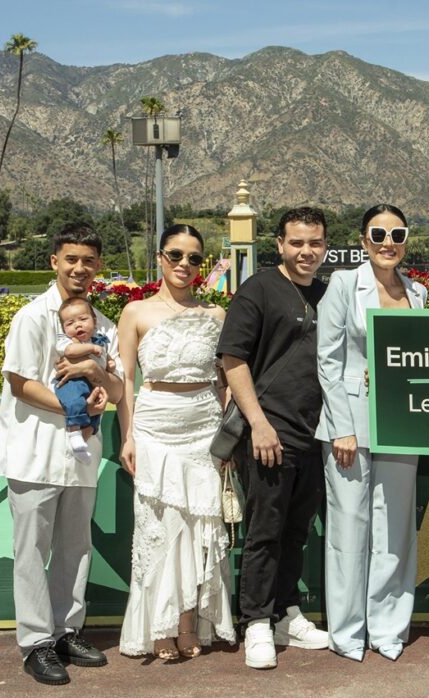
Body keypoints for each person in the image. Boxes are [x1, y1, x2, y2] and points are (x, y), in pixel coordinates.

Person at [0, 223, 123, 685]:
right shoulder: (33, 317)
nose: (79, 268)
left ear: (98, 266)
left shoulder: (102, 326)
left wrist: (97, 388)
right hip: (33, 452)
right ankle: (36, 644)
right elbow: (20, 383)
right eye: (71, 259)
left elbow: (117, 387)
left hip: (82, 456)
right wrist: (76, 408)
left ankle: (67, 630)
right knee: (31, 550)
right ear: (55, 262)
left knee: (75, 547)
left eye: (88, 260)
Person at [116, 224, 236, 660]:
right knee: (160, 527)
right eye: (176, 255)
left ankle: (189, 623)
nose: (185, 264)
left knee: (201, 529)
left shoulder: (217, 315)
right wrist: (128, 436)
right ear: (160, 258)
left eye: (194, 258)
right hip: (153, 427)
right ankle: (159, 626)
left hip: (203, 426)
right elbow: (125, 379)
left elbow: (224, 382)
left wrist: (227, 441)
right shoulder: (135, 313)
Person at [218, 207, 331, 669]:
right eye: (297, 242)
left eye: (315, 242)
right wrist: (259, 423)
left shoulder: (328, 292)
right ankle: (257, 623)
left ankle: (285, 612)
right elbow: (232, 358)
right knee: (265, 532)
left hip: (314, 432)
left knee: (296, 532)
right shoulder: (258, 289)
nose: (307, 251)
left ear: (325, 245)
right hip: (268, 433)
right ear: (280, 245)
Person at [316, 203, 427, 662]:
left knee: (395, 529)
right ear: (363, 240)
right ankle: (347, 632)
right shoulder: (343, 284)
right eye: (378, 234)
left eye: (397, 234)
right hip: (349, 427)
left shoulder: (418, 293)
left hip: (402, 424)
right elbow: (328, 359)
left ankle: (388, 629)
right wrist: (342, 427)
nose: (388, 242)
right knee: (349, 528)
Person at [54, 296, 115, 463]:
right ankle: (74, 433)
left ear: (94, 321)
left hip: (92, 384)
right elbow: (70, 352)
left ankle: (81, 445)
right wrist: (91, 348)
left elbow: (104, 356)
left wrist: (109, 362)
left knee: (95, 416)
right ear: (64, 329)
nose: (78, 325)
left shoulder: (99, 339)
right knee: (75, 403)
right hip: (72, 382)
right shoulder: (66, 341)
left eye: (83, 319)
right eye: (70, 323)